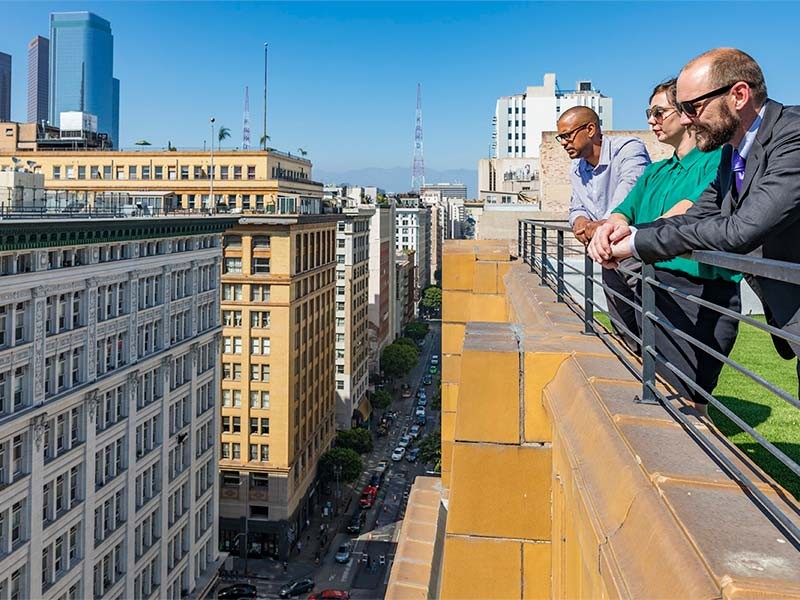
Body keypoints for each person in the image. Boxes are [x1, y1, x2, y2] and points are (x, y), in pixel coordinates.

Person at [591, 48, 800, 396]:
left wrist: (635, 245)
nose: (686, 119)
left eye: (692, 107)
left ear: (738, 95)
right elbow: (697, 216)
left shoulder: (793, 137)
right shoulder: (734, 152)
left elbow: (740, 230)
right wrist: (630, 232)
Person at [590, 78, 740, 413]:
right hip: (644, 281)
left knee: (685, 400)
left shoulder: (718, 161)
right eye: (649, 112)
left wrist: (624, 237)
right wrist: (607, 231)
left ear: (686, 114)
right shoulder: (656, 171)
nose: (651, 120)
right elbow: (622, 213)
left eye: (659, 112)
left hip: (695, 289)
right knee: (646, 379)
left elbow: (687, 213)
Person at [557, 106, 651, 348]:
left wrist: (602, 227)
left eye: (567, 135)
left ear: (590, 129)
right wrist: (582, 224)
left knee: (650, 326)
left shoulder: (628, 149)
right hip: (606, 255)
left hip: (635, 252)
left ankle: (658, 382)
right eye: (561, 138)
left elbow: (630, 194)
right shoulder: (577, 167)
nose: (563, 143)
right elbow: (576, 207)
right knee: (621, 325)